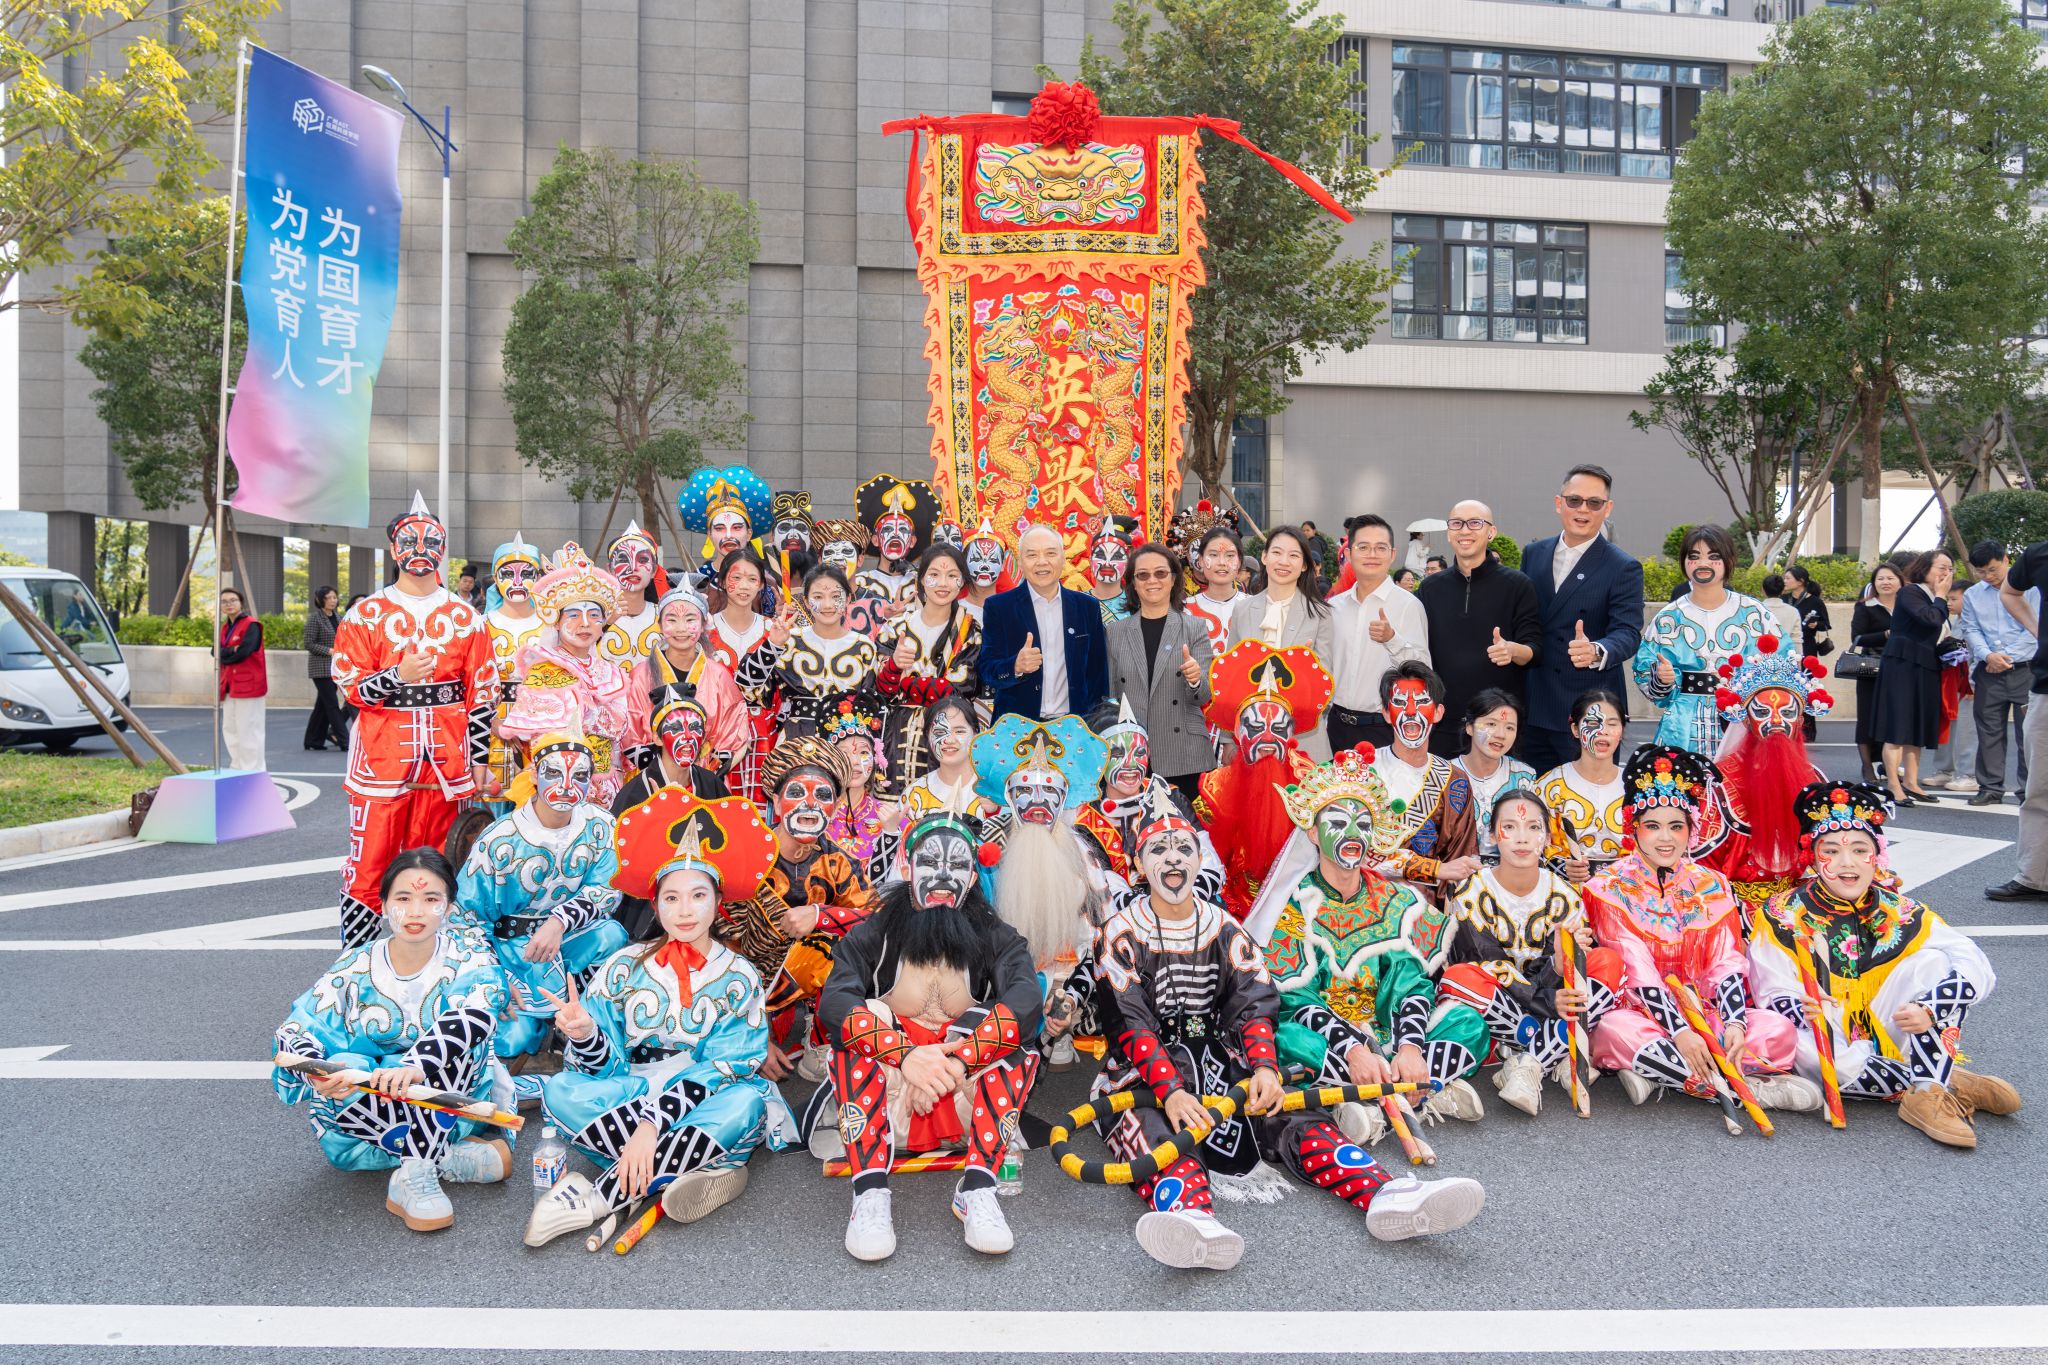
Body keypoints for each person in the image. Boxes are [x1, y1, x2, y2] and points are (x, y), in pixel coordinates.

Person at [1092, 781, 1482, 1267]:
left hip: (1221, 1060)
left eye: (1184, 849)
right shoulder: (1119, 933)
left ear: (1199, 859)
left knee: (1295, 1116)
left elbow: (1254, 1003)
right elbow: (1130, 1023)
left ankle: (1386, 1193)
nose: (1173, 860)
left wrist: (1265, 1069)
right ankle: (1191, 1219)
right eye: (1158, 850)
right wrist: (1170, 1091)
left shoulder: (1224, 926)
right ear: (1138, 863)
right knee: (1154, 1131)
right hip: (1141, 1072)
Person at [524, 790, 797, 1246]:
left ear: (718, 900)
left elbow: (722, 1070)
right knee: (559, 1091)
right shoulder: (621, 966)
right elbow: (601, 1070)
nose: (684, 910)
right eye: (671, 897)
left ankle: (600, 1195)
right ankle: (702, 1164)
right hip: (633, 1089)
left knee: (744, 1103)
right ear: (655, 905)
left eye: (697, 895)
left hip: (703, 1098)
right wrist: (586, 1033)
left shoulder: (739, 976)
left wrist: (651, 1126)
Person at [812, 810, 1044, 1262]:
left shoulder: (996, 935)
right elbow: (835, 1002)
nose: (943, 876)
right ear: (906, 865)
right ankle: (870, 1192)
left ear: (973, 876)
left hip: (963, 1099)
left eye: (957, 865)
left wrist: (954, 1062)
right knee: (863, 1018)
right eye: (930, 862)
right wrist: (907, 1056)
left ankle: (977, 1187)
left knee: (1005, 1025)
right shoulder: (873, 933)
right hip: (891, 1101)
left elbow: (1026, 999)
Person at [1753, 782, 2017, 1147]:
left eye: (1860, 850)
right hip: (1824, 1026)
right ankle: (1935, 1081)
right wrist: (1802, 1008)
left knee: (1934, 962)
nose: (1847, 863)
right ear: (1812, 858)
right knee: (1809, 1051)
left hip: (1894, 1025)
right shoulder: (1782, 913)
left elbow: (1975, 963)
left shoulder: (1899, 909)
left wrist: (1929, 1008)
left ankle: (1926, 1093)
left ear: (1877, 856)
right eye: (1831, 851)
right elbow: (1769, 987)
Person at [271, 849, 513, 1232]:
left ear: (449, 908)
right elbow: (298, 1029)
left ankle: (415, 1174)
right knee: (347, 1072)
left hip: (453, 1106)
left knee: (455, 1049)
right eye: (403, 898)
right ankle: (446, 1159)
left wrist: (415, 1065)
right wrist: (316, 1072)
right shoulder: (355, 966)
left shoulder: (469, 959)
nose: (415, 911)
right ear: (383, 906)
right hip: (372, 1114)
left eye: (430, 899)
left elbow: (476, 1014)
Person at [1259, 746, 1490, 1130]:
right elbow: (1297, 998)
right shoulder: (1293, 904)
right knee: (1285, 1039)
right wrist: (1353, 1049)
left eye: (1363, 823)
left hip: (1390, 1031)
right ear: (1313, 833)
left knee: (1469, 1022)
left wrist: (1411, 1047)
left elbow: (1410, 982)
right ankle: (1417, 1090)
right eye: (1339, 821)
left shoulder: (1394, 899)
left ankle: (1376, 1096)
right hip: (1333, 1042)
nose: (1353, 833)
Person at [1582, 746, 1819, 1113]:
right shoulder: (1606, 887)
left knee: (1778, 1030)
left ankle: (1666, 1073)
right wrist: (1681, 1032)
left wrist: (1735, 1023)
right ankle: (1743, 1088)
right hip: (1639, 1012)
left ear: (1691, 829)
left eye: (1676, 826)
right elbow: (1637, 970)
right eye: (1653, 826)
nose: (1665, 838)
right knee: (1613, 1031)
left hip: (1706, 1012)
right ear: (1634, 827)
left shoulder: (1713, 883)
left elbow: (1726, 960)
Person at [330, 495, 495, 950]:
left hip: (447, 760)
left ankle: (432, 958)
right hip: (381, 760)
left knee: (440, 864)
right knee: (369, 865)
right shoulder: (365, 615)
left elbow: (483, 692)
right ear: (392, 547)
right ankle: (357, 963)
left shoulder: (467, 618)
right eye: (409, 541)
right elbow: (351, 687)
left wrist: (480, 760)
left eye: (431, 541)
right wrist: (396, 676)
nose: (420, 550)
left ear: (444, 548)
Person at [451, 732, 628, 1086]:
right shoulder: (499, 839)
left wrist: (559, 921)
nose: (566, 786)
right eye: (554, 773)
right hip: (511, 954)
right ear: (533, 774)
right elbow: (465, 919)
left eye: (580, 776)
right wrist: (495, 978)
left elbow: (609, 889)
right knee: (511, 1038)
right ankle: (538, 1033)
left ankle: (589, 1026)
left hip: (570, 940)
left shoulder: (601, 825)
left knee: (611, 936)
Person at [1441, 789, 1618, 1116]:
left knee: (1607, 961)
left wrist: (1560, 966)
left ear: (1548, 838)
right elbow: (1486, 964)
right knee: (1459, 977)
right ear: (1492, 835)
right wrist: (1550, 998)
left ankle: (1529, 1064)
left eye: (1533, 827)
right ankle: (1557, 1048)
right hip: (1501, 1007)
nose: (1522, 838)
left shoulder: (1565, 897)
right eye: (1510, 827)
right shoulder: (1469, 892)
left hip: (1549, 1002)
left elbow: (1571, 971)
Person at [732, 735, 878, 1082]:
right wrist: (752, 1034)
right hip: (740, 987)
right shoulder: (745, 856)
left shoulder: (838, 861)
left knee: (832, 948)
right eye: (797, 792)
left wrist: (820, 917)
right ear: (776, 801)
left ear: (835, 807)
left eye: (823, 795)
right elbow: (719, 946)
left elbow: (877, 919)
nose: (810, 804)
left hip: (802, 978)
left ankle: (821, 1041)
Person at [1693, 633, 1833, 912]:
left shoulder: (1815, 780)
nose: (1777, 721)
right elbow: (1702, 866)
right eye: (1762, 712)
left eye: (1788, 712)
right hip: (1737, 910)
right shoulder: (1719, 782)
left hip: (1803, 909)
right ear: (1746, 719)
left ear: (1801, 719)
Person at [1520, 465, 1644, 775]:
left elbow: (1628, 631)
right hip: (1533, 703)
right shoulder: (1533, 553)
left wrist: (1597, 650)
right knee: (1532, 796)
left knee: (1589, 797)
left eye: (1594, 502)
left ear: (1607, 508)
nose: (1583, 510)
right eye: (1574, 500)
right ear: (1559, 503)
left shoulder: (1623, 566)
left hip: (1588, 708)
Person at [1197, 641, 1332, 922]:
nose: (1268, 738)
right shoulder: (1214, 791)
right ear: (1238, 733)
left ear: (1292, 734)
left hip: (1298, 907)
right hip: (1233, 909)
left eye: (1279, 728)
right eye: (1256, 727)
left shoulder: (1314, 785)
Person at [500, 545, 635, 807]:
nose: (584, 623)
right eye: (573, 615)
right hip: (561, 786)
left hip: (609, 787)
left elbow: (620, 740)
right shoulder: (544, 671)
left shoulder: (611, 673)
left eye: (594, 615)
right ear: (557, 621)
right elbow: (540, 742)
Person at [1415, 501, 1539, 758]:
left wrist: (1512, 650)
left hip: (1498, 722)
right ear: (1449, 533)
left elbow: (1535, 649)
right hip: (1442, 720)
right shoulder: (1430, 588)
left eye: (1475, 523)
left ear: (1491, 532)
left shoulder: (1517, 585)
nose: (1465, 530)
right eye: (1457, 523)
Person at [1633, 524, 1770, 757]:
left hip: (1741, 721)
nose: (1703, 563)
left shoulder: (1754, 614)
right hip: (1682, 723)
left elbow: (1777, 666)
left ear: (1729, 561)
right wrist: (1663, 679)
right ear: (1684, 563)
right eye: (1694, 556)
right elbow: (1645, 672)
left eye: (1714, 556)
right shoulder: (1668, 617)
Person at [1106, 543, 1214, 803]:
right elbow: (1110, 697)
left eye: (1160, 573)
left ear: (1173, 579)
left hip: (1184, 754)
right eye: (1143, 575)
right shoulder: (1115, 632)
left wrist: (1195, 679)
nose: (1152, 580)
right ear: (1133, 583)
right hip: (1132, 757)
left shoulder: (1194, 627)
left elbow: (1204, 694)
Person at [1365, 662, 1480, 907]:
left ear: (1438, 712)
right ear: (1386, 713)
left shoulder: (1453, 780)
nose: (1409, 711)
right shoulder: (1363, 769)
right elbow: (1350, 852)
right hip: (1366, 901)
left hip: (1427, 910)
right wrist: (1435, 869)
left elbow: (1461, 860)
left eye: (1421, 702)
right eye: (1399, 703)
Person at [875, 544, 983, 795]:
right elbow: (880, 690)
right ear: (921, 579)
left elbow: (961, 687)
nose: (943, 583)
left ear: (962, 582)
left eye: (952, 575)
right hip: (896, 735)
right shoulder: (896, 627)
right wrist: (894, 666)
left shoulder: (970, 631)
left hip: (948, 733)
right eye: (934, 575)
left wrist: (905, 682)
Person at [979, 522, 1111, 721]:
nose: (1042, 562)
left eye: (1050, 553)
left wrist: (1095, 723)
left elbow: (1098, 676)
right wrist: (1015, 666)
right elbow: (987, 670)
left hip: (1074, 726)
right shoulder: (999, 607)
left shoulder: (1087, 607)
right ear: (1020, 562)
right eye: (1032, 555)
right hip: (1017, 727)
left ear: (1063, 559)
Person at [736, 566, 879, 741]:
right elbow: (747, 690)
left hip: (846, 741)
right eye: (818, 597)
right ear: (806, 601)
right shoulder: (790, 641)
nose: (827, 605)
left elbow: (871, 705)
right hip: (796, 741)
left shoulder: (864, 647)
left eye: (836, 597)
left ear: (848, 598)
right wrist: (772, 645)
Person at [1229, 526, 1335, 760]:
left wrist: (1305, 671)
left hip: (1304, 741)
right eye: (1277, 552)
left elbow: (1326, 687)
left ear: (1304, 565)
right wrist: (1228, 740)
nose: (1284, 562)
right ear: (1264, 557)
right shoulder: (1242, 610)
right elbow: (1230, 681)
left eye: (1294, 555)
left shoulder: (1321, 614)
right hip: (1251, 739)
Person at [623, 582, 749, 780]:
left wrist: (707, 774)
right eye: (672, 620)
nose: (681, 629)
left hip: (705, 774)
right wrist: (659, 771)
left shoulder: (719, 675)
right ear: (659, 624)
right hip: (651, 777)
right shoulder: (641, 675)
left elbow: (733, 727)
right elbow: (629, 731)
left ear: (703, 624)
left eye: (690, 619)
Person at [1327, 515, 1428, 756]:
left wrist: (1392, 639)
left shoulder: (1408, 605)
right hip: (1336, 726)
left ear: (1392, 555)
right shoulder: (1334, 607)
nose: (1372, 554)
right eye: (1363, 547)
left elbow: (1423, 671)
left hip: (1383, 728)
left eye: (1380, 548)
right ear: (1349, 553)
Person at [1871, 548, 1953, 805]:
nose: (1946, 573)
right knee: (1898, 726)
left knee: (1917, 726)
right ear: (1925, 568)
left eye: (1950, 569)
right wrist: (1941, 596)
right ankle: (1893, 785)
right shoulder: (1911, 592)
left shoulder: (1932, 596)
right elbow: (1930, 619)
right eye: (1941, 567)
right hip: (1902, 664)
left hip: (1925, 665)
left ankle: (1912, 783)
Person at [1991, 538, 2048, 901]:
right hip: (2047, 687)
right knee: (2040, 788)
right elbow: (2010, 592)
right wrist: (2037, 630)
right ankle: (2035, 876)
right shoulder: (2040, 553)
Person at [1961, 540, 2035, 806]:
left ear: (2006, 559)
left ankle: (2030, 790)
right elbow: (1970, 629)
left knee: (2030, 733)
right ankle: (1990, 788)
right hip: (1988, 670)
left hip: (2027, 669)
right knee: (1988, 730)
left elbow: (2036, 628)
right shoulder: (1973, 595)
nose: (1987, 576)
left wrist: (2005, 657)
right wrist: (1988, 656)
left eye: (1992, 569)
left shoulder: (2032, 589)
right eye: (1981, 572)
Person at [706, 548, 780, 802]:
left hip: (765, 731)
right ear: (722, 581)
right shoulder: (705, 629)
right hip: (717, 732)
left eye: (752, 579)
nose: (744, 586)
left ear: (761, 584)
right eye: (736, 578)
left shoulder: (774, 630)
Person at [1534, 690, 1628, 883]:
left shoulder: (1636, 786)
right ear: (1575, 729)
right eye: (1593, 723)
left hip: (1625, 890)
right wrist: (1562, 868)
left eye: (1612, 724)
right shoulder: (1549, 786)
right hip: (1565, 891)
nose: (1603, 731)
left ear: (1622, 731)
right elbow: (1532, 845)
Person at [482, 535, 547, 798]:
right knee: (493, 796)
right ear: (495, 577)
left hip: (541, 722)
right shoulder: (480, 625)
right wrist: (492, 722)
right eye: (508, 574)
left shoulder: (551, 625)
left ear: (538, 577)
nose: (518, 582)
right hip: (491, 725)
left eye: (527, 574)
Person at [822, 697, 902, 883]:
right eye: (844, 753)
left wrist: (891, 833)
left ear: (876, 758)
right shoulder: (816, 813)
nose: (855, 762)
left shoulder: (891, 818)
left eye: (863, 753)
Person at [1451, 689, 1535, 861]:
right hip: (1455, 870)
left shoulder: (1525, 777)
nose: (1500, 735)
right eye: (1491, 724)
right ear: (1469, 727)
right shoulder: (1443, 774)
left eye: (1510, 728)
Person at [897, 694, 999, 823]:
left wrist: (994, 812)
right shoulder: (913, 794)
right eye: (940, 732)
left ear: (975, 734)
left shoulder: (995, 791)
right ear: (927, 736)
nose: (949, 740)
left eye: (959, 731)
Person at [852, 475, 938, 627]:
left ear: (912, 541)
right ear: (875, 540)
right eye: (888, 529)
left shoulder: (924, 583)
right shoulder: (859, 582)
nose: (896, 534)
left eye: (903, 530)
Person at [1850, 563, 1901, 784]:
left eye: (1890, 578)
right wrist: (1886, 634)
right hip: (1871, 670)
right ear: (1874, 583)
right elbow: (1857, 638)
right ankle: (1867, 766)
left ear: (1900, 581)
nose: (1885, 582)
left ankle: (1888, 765)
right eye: (1880, 579)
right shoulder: (1866, 607)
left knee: (1893, 718)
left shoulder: (1907, 606)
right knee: (1867, 717)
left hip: (1900, 668)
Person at [1924, 580, 1976, 794]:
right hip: (1950, 682)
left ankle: (1968, 774)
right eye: (1948, 599)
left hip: (1967, 683)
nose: (1949, 603)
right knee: (1948, 726)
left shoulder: (1975, 621)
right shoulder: (1954, 621)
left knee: (1966, 729)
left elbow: (1974, 655)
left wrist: (1972, 682)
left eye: (1954, 599)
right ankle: (1944, 770)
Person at [679, 464, 773, 579]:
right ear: (709, 535)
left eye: (737, 528)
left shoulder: (763, 580)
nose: (728, 535)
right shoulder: (697, 581)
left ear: (749, 534)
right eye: (719, 529)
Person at [600, 522, 667, 669]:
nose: (633, 568)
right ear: (610, 569)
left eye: (642, 560)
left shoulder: (666, 616)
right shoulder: (594, 616)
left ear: (654, 570)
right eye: (623, 560)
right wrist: (605, 624)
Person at [216, 586, 268, 771]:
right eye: (224, 601)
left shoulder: (252, 624)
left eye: (233, 600)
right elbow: (215, 651)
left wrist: (226, 654)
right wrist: (232, 650)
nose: (228, 604)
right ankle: (237, 767)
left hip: (249, 686)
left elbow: (244, 652)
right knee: (230, 729)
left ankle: (252, 770)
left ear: (241, 603)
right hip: (230, 685)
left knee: (249, 730)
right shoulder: (224, 627)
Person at [301, 586, 348, 752]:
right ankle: (345, 740)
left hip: (337, 668)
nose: (332, 601)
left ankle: (312, 740)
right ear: (320, 600)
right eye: (328, 598)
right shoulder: (315, 619)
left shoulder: (339, 618)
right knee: (332, 704)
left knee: (322, 706)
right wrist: (329, 651)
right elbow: (309, 643)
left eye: (334, 597)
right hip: (320, 668)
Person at [1084, 515, 1138, 625]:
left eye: (1117, 556)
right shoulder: (1076, 603)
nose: (1107, 563)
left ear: (1128, 562)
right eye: (1100, 555)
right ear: (1090, 560)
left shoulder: (1138, 604)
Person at [960, 517, 1011, 625]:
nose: (984, 566)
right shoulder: (952, 611)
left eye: (992, 560)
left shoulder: (1015, 611)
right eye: (976, 559)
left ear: (1003, 564)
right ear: (964, 562)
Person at [1785, 564, 1832, 660]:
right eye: (1784, 578)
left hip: (1806, 646)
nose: (1784, 581)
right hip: (1785, 646)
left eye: (1788, 578)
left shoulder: (1816, 602)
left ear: (1800, 581)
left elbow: (1826, 624)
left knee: (1806, 670)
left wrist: (1816, 624)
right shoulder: (1783, 599)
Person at [1760, 573, 1802, 648]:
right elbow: (1796, 639)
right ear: (1783, 590)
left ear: (1763, 590)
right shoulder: (1793, 611)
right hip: (1785, 653)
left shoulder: (1755, 609)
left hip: (1759, 653)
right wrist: (1798, 654)